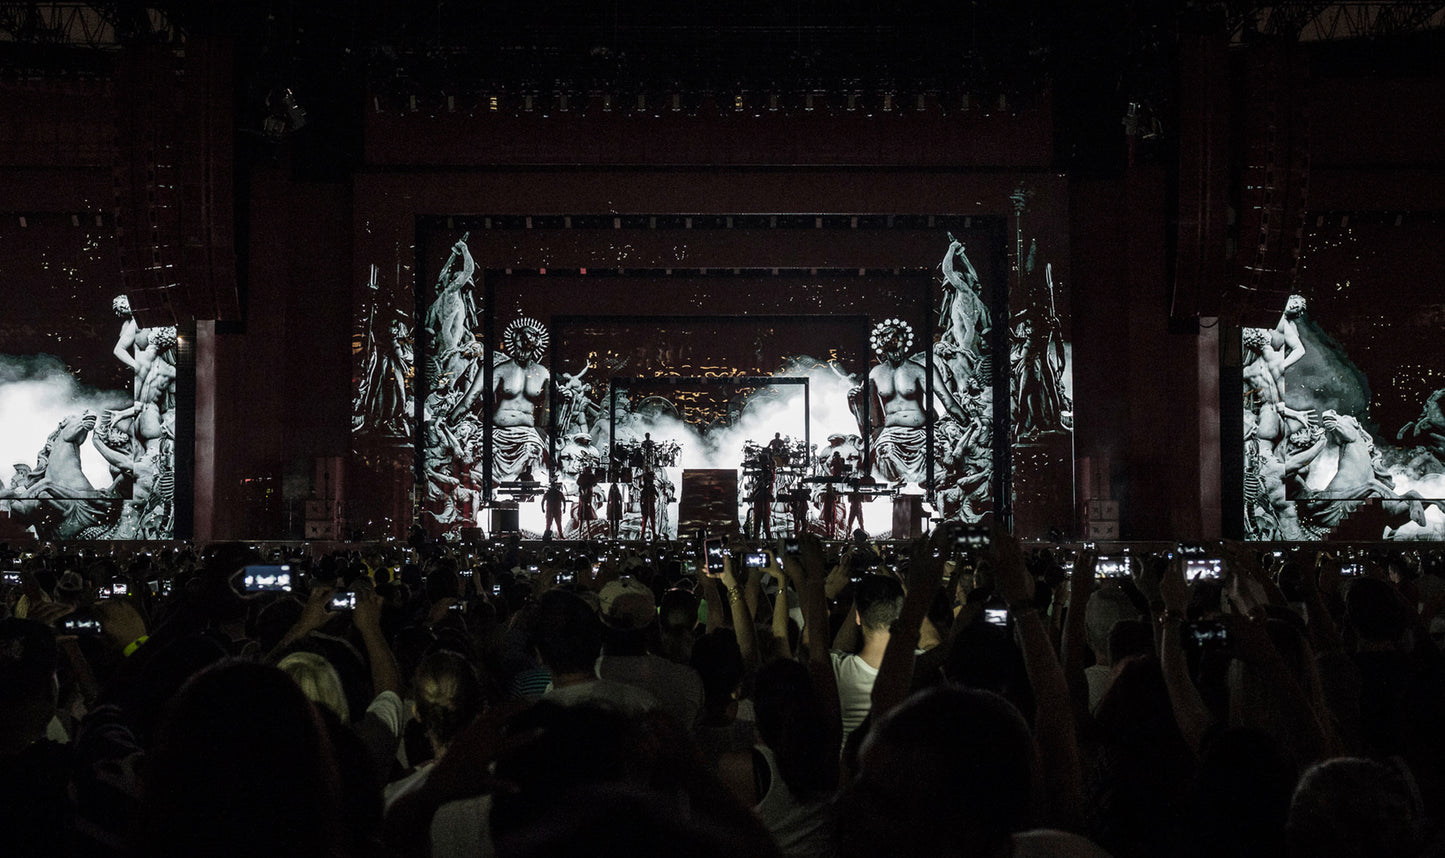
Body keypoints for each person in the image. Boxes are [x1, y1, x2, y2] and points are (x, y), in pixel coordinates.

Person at [851, 319, 969, 484]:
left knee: (936, 458)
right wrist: (853, 397)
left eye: (894, 335)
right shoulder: (875, 373)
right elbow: (862, 407)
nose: (890, 339)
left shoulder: (920, 370)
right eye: (885, 336)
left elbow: (947, 401)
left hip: (921, 434)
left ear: (903, 339)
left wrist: (968, 423)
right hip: (889, 437)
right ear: (880, 342)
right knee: (885, 455)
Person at [450, 317, 550, 488]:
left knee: (533, 456)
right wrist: (448, 421)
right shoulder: (499, 370)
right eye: (520, 339)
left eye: (530, 338)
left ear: (537, 342)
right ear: (514, 341)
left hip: (528, 435)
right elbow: (470, 399)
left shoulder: (543, 373)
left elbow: (547, 412)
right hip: (497, 434)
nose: (524, 343)